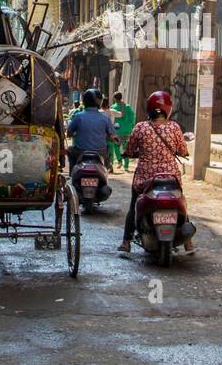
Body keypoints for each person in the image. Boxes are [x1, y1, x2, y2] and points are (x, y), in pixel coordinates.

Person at [119, 91, 190, 255]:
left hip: (145, 178)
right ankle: (189, 242)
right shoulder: (174, 127)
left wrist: (129, 154)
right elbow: (183, 150)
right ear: (168, 109)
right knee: (181, 201)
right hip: (171, 178)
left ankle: (126, 242)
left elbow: (129, 149)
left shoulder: (140, 127)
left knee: (133, 205)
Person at [66, 87, 115, 168]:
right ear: (99, 101)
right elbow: (112, 137)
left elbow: (69, 133)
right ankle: (107, 167)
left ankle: (72, 173)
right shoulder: (105, 118)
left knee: (69, 150)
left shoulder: (78, 116)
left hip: (81, 152)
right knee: (108, 150)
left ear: (85, 101)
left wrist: (75, 134)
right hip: (100, 153)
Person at [110, 91, 135, 170]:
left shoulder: (113, 108)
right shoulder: (128, 106)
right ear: (121, 97)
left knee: (116, 147)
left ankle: (120, 160)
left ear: (114, 98)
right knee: (126, 148)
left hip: (117, 131)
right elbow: (132, 117)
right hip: (127, 131)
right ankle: (126, 166)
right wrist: (131, 125)